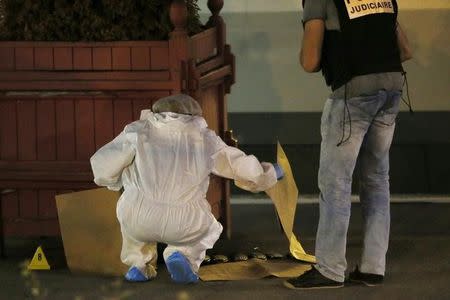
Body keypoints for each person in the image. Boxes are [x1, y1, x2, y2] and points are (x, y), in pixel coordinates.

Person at [284, 0, 412, 290]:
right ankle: (372, 267)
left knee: (335, 183)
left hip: (353, 95)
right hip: (392, 89)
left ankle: (329, 269)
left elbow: (310, 61)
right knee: (377, 180)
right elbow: (405, 50)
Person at [90, 94, 283, 284]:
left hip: (138, 217)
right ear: (195, 116)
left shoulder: (137, 131)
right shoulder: (205, 138)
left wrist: (112, 181)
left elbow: (103, 165)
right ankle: (182, 257)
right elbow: (239, 167)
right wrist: (269, 173)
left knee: (130, 215)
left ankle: (138, 265)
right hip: (184, 223)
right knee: (207, 228)